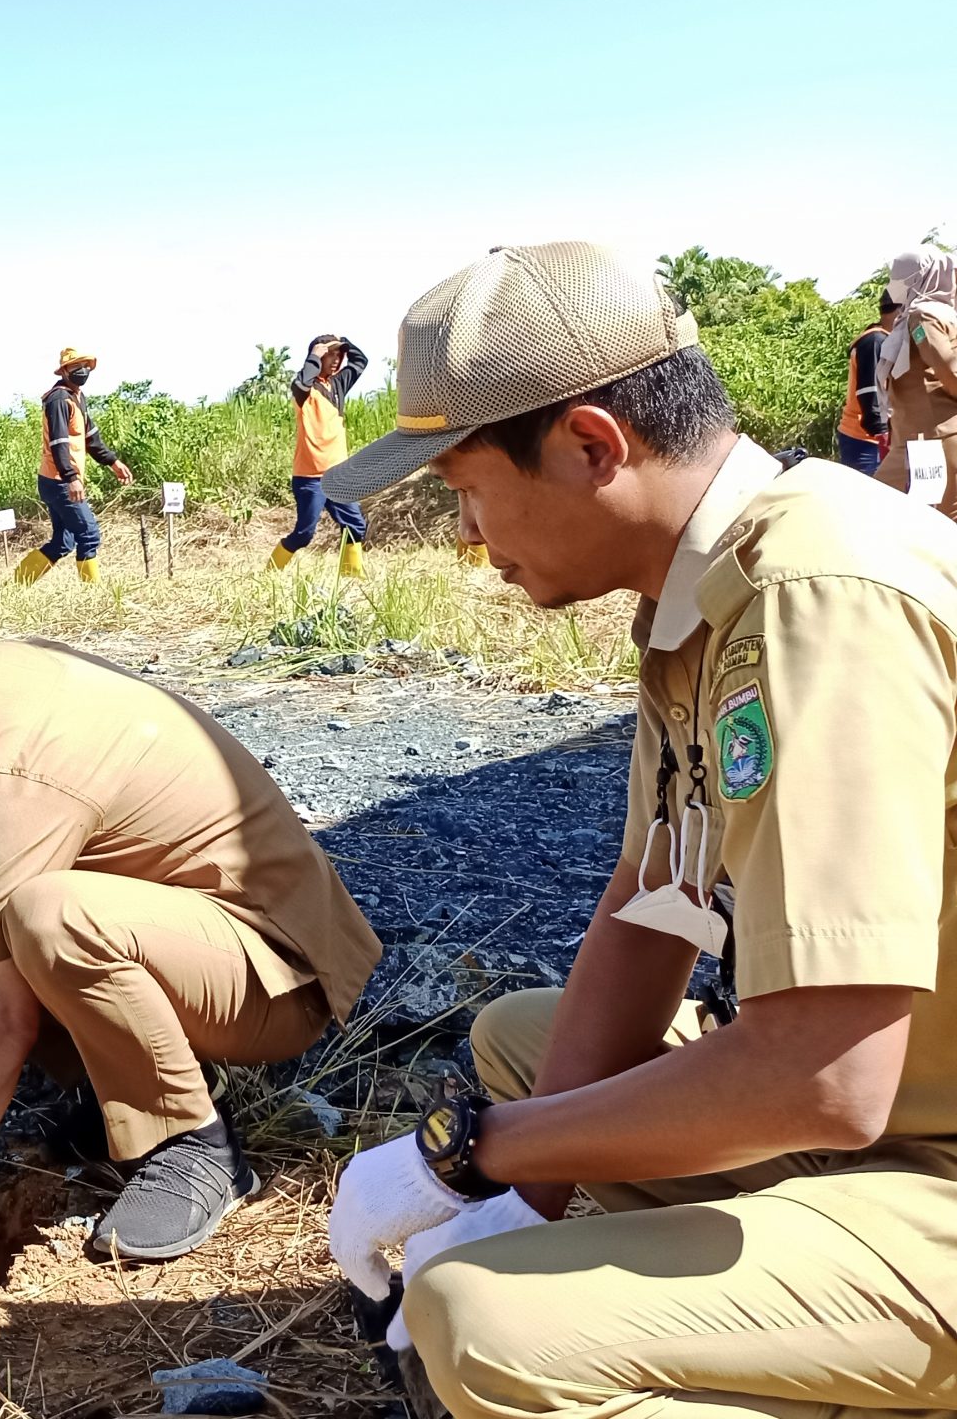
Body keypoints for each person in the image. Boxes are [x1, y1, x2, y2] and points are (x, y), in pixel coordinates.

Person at [315, 240, 957, 1419]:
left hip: (924, 1164)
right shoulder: (703, 597)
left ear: (592, 446)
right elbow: (647, 904)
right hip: (897, 1122)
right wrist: (531, 1194)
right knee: (527, 1036)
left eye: (462, 487)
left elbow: (822, 1078)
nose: (466, 536)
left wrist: (471, 1153)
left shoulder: (816, 597)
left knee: (485, 1326)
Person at [0, 597, 381, 1298]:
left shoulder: (1, 770)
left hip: (272, 971)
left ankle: (191, 1146)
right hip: (189, 926)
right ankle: (108, 1083)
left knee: (47, 916)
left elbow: (1, 1016)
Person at [15, 347, 132, 585]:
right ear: (65, 370)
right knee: (89, 534)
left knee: (63, 541)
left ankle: (15, 586)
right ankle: (93, 597)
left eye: (86, 366)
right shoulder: (58, 399)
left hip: (58, 480)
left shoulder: (76, 397)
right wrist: (71, 478)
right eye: (76, 366)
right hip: (58, 481)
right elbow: (59, 442)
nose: (82, 371)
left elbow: (90, 437)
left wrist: (113, 461)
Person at [268, 335, 370, 577]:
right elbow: (302, 382)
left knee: (356, 527)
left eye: (338, 355)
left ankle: (351, 577)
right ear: (318, 356)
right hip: (309, 477)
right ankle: (270, 573)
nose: (335, 360)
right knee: (304, 534)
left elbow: (360, 361)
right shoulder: (305, 391)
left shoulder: (338, 384)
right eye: (330, 354)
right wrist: (314, 354)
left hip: (338, 475)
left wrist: (342, 340)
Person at [880, 249, 957, 519]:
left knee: (937, 532)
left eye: (899, 276)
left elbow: (950, 372)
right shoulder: (919, 316)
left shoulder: (923, 317)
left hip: (933, 443)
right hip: (915, 442)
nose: (893, 284)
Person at [838, 291, 897, 479]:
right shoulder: (875, 341)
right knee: (867, 502)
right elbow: (870, 393)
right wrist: (883, 436)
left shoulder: (884, 338)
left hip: (875, 439)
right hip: (866, 441)